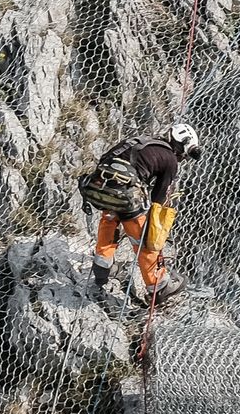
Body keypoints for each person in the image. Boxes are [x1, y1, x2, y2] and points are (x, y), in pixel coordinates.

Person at [79, 123, 199, 301]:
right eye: (185, 156)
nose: (182, 159)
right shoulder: (170, 160)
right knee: (143, 238)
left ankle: (102, 266)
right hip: (126, 194)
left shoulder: (140, 142)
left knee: (110, 217)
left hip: (100, 186)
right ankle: (159, 285)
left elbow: (105, 158)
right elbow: (158, 197)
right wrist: (153, 225)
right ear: (183, 146)